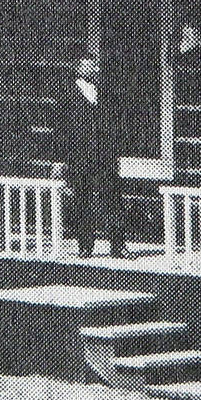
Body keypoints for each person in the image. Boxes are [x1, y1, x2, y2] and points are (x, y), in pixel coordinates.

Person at [52, 54, 125, 257]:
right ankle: (85, 245)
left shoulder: (104, 94)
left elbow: (115, 124)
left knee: (112, 199)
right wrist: (60, 159)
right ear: (78, 68)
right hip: (79, 158)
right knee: (81, 201)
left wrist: (114, 151)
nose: (92, 68)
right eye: (87, 65)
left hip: (104, 158)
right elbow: (60, 130)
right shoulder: (67, 94)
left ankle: (117, 245)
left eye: (94, 64)